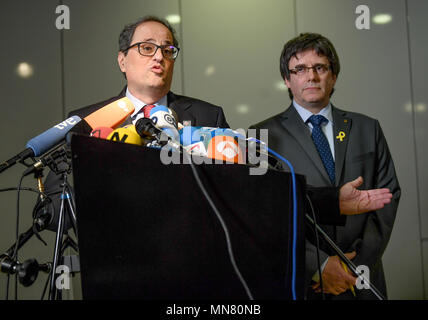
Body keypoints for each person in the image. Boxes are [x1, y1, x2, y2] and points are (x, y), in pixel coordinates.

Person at [250, 33, 400, 300]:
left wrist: (356, 263)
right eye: (300, 69)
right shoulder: (260, 136)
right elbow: (263, 213)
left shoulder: (367, 128)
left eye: (320, 67)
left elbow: (388, 197)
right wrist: (317, 265)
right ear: (287, 79)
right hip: (303, 281)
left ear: (333, 76)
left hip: (363, 278)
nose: (311, 77)